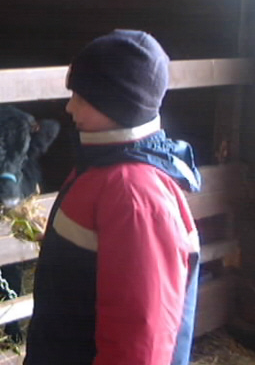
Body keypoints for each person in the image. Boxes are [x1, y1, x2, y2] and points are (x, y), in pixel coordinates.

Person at [24, 29, 201, 365]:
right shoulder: (103, 165)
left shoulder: (133, 192)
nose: (69, 106)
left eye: (82, 97)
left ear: (115, 103)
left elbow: (142, 340)